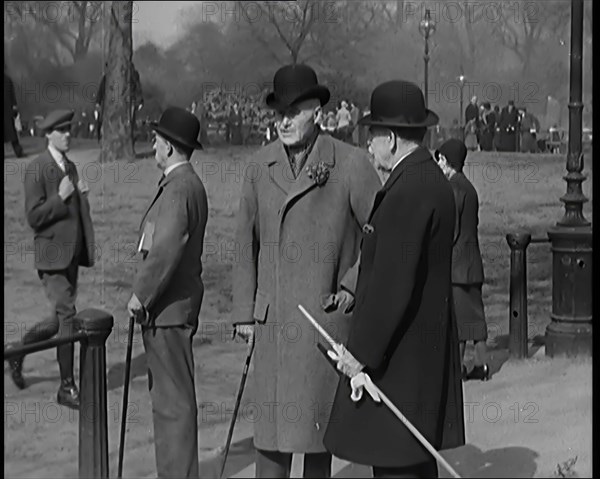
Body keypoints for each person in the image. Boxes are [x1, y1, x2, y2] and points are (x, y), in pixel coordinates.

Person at [232, 63, 381, 478]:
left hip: (321, 323)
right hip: (273, 324)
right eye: (278, 112)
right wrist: (245, 311)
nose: (283, 121)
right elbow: (245, 241)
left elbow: (381, 233)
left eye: (293, 112)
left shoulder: (349, 164)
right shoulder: (259, 167)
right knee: (271, 443)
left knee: (318, 442)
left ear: (316, 110)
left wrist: (351, 287)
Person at [323, 80, 465, 478]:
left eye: (372, 136)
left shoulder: (409, 191)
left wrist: (359, 354)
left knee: (398, 467)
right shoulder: (428, 180)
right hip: (417, 355)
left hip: (400, 361)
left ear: (389, 138)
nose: (368, 146)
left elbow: (391, 286)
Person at [126, 106, 207, 478]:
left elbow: (167, 247)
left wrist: (140, 295)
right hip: (169, 311)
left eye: (158, 139)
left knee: (173, 407)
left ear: (171, 147)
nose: (153, 144)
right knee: (169, 404)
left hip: (167, 312)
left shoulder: (180, 188)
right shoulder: (181, 185)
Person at [6, 110, 95, 409]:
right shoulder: (37, 169)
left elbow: (73, 210)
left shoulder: (70, 166)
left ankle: (18, 351)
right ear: (48, 135)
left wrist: (80, 195)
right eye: (61, 130)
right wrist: (60, 197)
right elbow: (34, 216)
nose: (67, 134)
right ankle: (67, 386)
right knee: (68, 317)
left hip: (71, 256)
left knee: (60, 319)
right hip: (51, 258)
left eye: (69, 129)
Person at [434, 139, 490, 381]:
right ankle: (482, 364)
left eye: (440, 160)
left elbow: (451, 230)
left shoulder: (452, 189)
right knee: (475, 317)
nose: (438, 164)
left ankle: (456, 371)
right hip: (472, 262)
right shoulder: (470, 188)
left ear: (447, 162)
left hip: (456, 266)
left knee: (457, 320)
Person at [4, 70, 25, 157]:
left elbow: (12, 94)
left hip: (7, 109)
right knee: (11, 131)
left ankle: (18, 151)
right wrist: (14, 106)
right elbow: (12, 95)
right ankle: (18, 151)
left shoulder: (7, 79)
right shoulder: (7, 79)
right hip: (8, 109)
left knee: (11, 131)